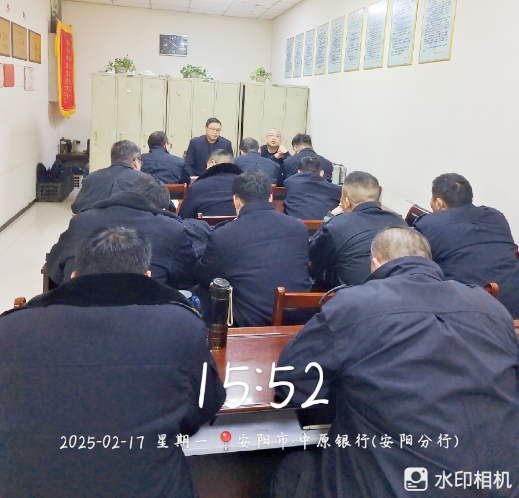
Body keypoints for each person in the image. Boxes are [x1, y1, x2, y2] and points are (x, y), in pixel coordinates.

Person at [274, 227, 519, 498]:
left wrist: (350, 387)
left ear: (375, 264)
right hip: (498, 485)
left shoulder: (352, 306)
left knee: (293, 469)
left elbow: (289, 381)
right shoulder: (492, 308)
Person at [0, 226, 225, 497]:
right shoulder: (182, 326)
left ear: (74, 276)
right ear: (147, 276)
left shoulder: (10, 330)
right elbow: (203, 408)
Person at [197, 170, 312, 327]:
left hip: (249, 325)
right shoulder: (299, 227)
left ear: (236, 200)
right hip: (299, 321)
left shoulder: (223, 235)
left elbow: (205, 276)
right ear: (270, 197)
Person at [47, 175, 198, 288]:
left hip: (75, 306)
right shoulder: (172, 229)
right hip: (148, 311)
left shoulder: (81, 220)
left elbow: (54, 269)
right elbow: (188, 278)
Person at [415, 173, 519, 319]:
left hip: (472, 319)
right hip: (514, 313)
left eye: (432, 200)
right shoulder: (497, 217)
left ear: (439, 203)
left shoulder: (427, 225)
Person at [309, 171, 407, 287]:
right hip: (398, 292)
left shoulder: (335, 226)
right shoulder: (401, 223)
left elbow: (313, 255)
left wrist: (330, 217)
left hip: (352, 295)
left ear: (346, 202)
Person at [71, 140, 146, 214]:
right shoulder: (146, 181)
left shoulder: (91, 178)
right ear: (136, 162)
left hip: (93, 221)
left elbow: (76, 208)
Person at [178, 149, 242, 219]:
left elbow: (183, 218)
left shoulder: (196, 187)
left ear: (213, 163)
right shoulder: (244, 184)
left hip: (205, 226)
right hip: (239, 225)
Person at [283, 156, 342, 220]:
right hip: (325, 224)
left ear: (299, 172)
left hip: (296, 225)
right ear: (322, 173)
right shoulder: (336, 190)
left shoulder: (289, 183)